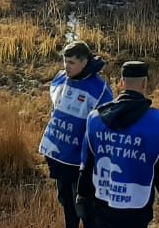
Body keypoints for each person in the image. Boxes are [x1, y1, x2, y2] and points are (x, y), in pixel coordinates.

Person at [76, 61, 159, 228]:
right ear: (145, 83)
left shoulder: (95, 118)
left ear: (121, 83)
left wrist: (81, 194)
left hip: (101, 203)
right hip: (136, 209)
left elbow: (86, 164)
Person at [40, 41, 114, 228]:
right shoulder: (60, 79)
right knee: (66, 202)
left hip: (81, 162)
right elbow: (54, 111)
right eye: (65, 61)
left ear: (84, 62)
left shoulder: (100, 90)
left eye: (71, 62)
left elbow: (106, 128)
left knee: (84, 207)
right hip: (59, 156)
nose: (66, 66)